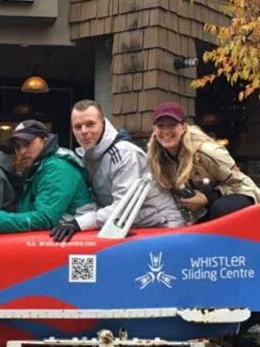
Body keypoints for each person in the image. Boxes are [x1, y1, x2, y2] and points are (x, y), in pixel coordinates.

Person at [50, 100, 184, 241]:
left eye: (90, 124)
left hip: (165, 227)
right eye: (78, 127)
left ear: (103, 123)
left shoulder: (124, 153)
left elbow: (123, 206)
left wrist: (79, 223)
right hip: (131, 226)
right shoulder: (87, 156)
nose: (84, 131)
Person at [0, 119, 95, 234]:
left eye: (27, 144)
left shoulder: (58, 168)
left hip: (76, 241)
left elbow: (46, 218)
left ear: (44, 141)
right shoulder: (39, 167)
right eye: (18, 147)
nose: (22, 151)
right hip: (63, 239)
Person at [146, 101, 260, 223]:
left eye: (172, 125)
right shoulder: (154, 157)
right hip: (202, 210)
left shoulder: (207, 152)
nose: (166, 131)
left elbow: (238, 183)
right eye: (160, 126)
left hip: (237, 194)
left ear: (183, 128)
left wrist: (208, 198)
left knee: (221, 209)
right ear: (154, 129)